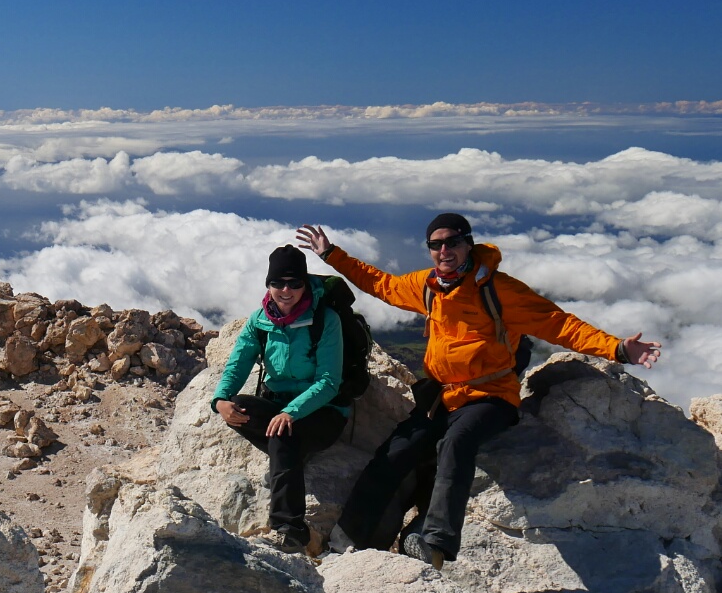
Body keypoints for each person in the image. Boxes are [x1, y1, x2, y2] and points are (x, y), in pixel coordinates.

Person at [296, 213, 661, 569]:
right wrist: (332, 255)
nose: (444, 251)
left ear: (468, 244)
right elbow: (382, 285)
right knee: (395, 452)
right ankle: (348, 545)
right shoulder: (428, 286)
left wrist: (617, 348)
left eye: (452, 242)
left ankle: (434, 543)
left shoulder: (499, 290)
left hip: (491, 395)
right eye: (435, 245)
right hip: (440, 394)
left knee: (457, 443)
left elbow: (559, 324)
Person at [212, 245, 349, 555]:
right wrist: (220, 400)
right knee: (243, 409)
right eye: (278, 283)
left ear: (305, 284)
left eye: (295, 283)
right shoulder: (260, 321)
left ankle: (290, 529)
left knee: (282, 434)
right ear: (268, 285)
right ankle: (290, 458)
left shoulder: (325, 320)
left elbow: (329, 383)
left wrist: (291, 412)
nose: (286, 290)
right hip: (279, 406)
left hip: (324, 412)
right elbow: (238, 363)